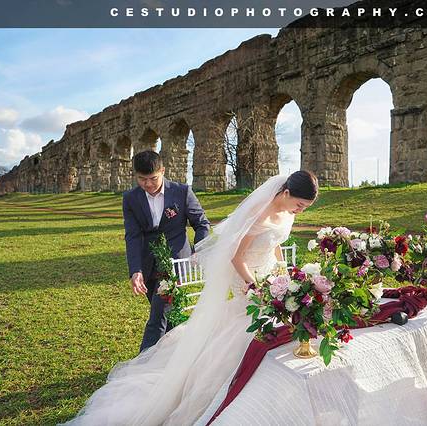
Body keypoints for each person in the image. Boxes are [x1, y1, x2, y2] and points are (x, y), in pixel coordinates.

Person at [65, 171, 318, 425]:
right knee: (246, 337)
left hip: (270, 280)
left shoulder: (287, 212)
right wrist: (256, 287)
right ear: (286, 192)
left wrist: (284, 275)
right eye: (299, 205)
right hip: (248, 281)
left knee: (275, 333)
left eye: (305, 208)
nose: (300, 211)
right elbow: (237, 258)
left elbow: (274, 244)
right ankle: (230, 395)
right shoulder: (258, 214)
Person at [123, 150, 210, 352]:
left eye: (153, 178)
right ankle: (180, 355)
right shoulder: (130, 198)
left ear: (162, 171)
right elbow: (132, 236)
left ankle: (142, 363)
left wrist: (199, 249)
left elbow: (201, 224)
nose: (148, 184)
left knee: (158, 317)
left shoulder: (182, 192)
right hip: (147, 262)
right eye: (141, 179)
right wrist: (136, 270)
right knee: (169, 318)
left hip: (175, 262)